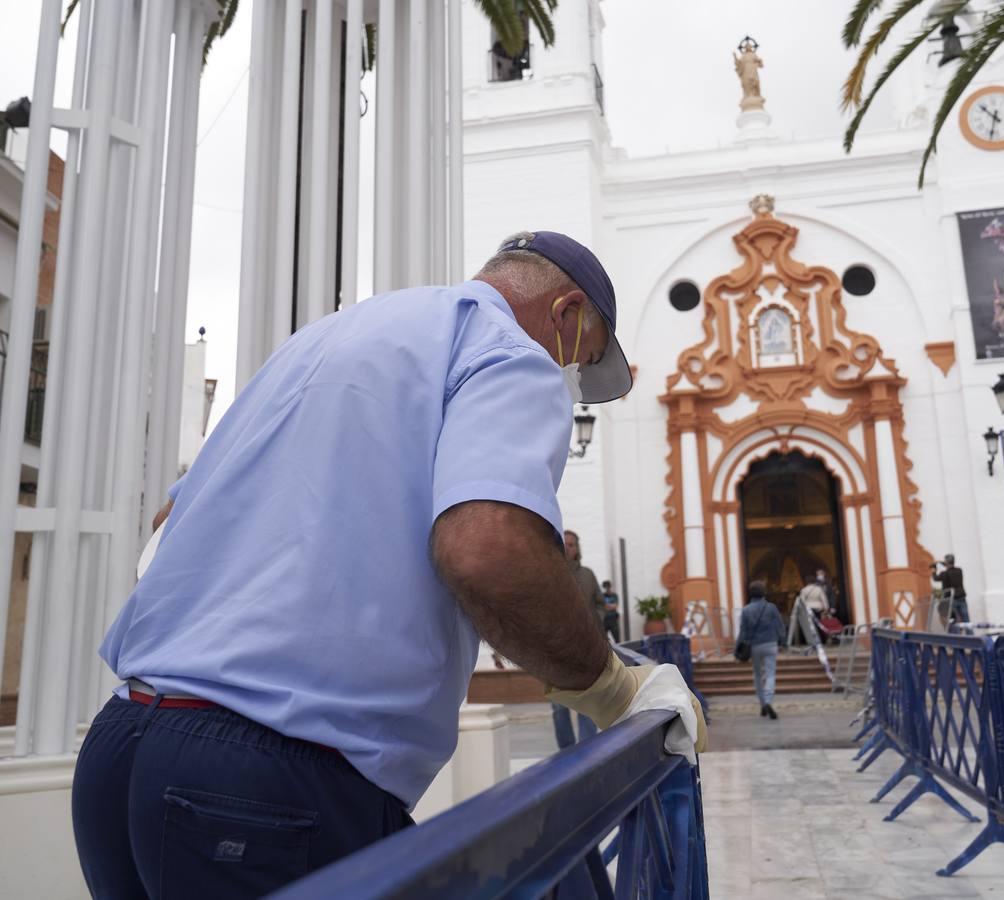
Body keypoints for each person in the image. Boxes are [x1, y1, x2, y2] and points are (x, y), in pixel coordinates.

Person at [72, 230, 706, 897]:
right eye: (584, 361)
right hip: (268, 777)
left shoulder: (321, 342)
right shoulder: (510, 355)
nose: (569, 383)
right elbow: (487, 549)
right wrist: (607, 685)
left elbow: (167, 523)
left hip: (123, 749)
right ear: (566, 314)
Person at [552, 530, 605, 748]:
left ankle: (588, 748)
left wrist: (595, 621)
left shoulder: (588, 575)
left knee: (588, 702)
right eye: (564, 544)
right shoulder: (548, 575)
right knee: (558, 707)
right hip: (555, 652)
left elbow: (600, 603)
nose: (568, 548)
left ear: (577, 549)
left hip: (586, 649)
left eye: (572, 544)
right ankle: (566, 751)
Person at [737, 581, 785, 719]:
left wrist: (737, 649)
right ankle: (769, 700)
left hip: (754, 646)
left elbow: (743, 632)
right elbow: (779, 625)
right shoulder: (771, 608)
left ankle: (763, 704)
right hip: (770, 644)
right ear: (764, 592)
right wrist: (783, 641)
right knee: (770, 674)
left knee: (758, 675)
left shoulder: (746, 610)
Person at [932, 553, 969, 631]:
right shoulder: (959, 570)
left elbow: (935, 578)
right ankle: (971, 638)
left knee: (953, 621)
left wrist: (934, 570)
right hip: (962, 598)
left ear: (946, 563)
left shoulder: (944, 574)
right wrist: (942, 563)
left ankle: (956, 638)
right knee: (966, 621)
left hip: (952, 600)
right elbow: (949, 566)